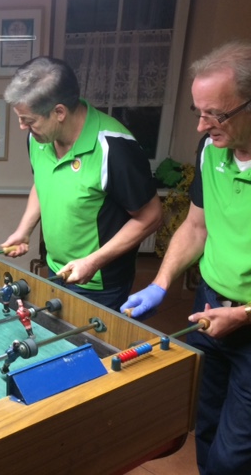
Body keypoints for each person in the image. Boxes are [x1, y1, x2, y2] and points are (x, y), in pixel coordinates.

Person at [120, 41, 251, 475]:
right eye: (199, 111)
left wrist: (245, 314)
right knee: (204, 424)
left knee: (235, 456)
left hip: (246, 319)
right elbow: (196, 227)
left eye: (215, 114)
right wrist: (160, 284)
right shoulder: (210, 148)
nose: (201, 125)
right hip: (209, 305)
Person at [0, 56, 162, 311]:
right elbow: (43, 184)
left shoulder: (115, 149)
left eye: (29, 120)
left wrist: (93, 261)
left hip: (100, 284)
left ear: (59, 112)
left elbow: (151, 217)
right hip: (56, 270)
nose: (22, 127)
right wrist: (24, 230)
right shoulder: (38, 138)